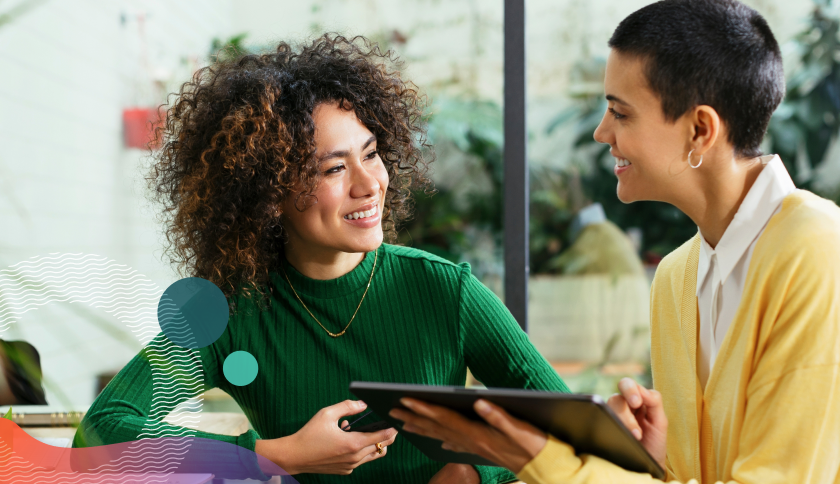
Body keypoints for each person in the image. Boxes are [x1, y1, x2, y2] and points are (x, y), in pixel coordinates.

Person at [72, 35, 570, 484]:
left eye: (371, 154)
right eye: (334, 168)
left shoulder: (444, 291)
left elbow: (568, 429)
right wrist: (277, 454)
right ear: (268, 194)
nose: (368, 183)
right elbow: (101, 435)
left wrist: (472, 472)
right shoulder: (233, 313)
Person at [390, 1, 840, 483]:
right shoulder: (676, 277)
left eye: (620, 113)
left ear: (700, 130)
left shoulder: (819, 250)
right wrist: (647, 462)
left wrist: (544, 459)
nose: (602, 132)